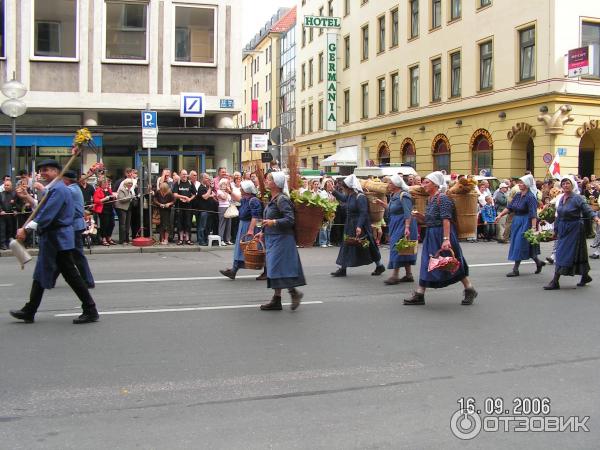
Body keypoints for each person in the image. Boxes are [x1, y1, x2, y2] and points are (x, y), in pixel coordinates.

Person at [9, 160, 99, 324]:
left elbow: (47, 214)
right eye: (41, 170)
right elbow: (41, 207)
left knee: (71, 275)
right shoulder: (54, 188)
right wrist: (27, 197)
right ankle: (30, 310)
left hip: (58, 239)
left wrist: (26, 229)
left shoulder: (59, 189)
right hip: (52, 238)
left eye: (47, 170)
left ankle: (90, 309)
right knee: (41, 273)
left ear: (57, 171)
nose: (43, 173)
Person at [404, 171, 477, 305]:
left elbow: (446, 219)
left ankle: (469, 288)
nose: (423, 185)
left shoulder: (442, 198)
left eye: (427, 182)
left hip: (442, 234)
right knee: (428, 263)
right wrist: (420, 216)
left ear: (436, 184)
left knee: (451, 263)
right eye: (424, 182)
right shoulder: (430, 199)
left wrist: (446, 239)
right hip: (432, 235)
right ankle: (420, 293)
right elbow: (430, 220)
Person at [258, 172, 305, 311]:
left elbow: (290, 220)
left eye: (269, 179)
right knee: (274, 269)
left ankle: (292, 293)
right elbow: (269, 220)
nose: (266, 181)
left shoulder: (282, 199)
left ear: (277, 184)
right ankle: (278, 299)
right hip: (272, 238)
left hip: (282, 239)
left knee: (278, 269)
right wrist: (262, 232)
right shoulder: (272, 198)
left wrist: (273, 222)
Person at [544, 176, 600, 290]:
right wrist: (556, 230)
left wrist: (596, 219)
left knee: (561, 253)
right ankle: (585, 276)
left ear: (572, 185)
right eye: (563, 184)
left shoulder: (577, 198)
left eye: (567, 183)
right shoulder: (561, 198)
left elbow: (587, 209)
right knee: (578, 253)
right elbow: (559, 215)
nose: (565, 185)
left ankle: (555, 281)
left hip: (574, 228)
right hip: (563, 228)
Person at [330, 174, 386, 277]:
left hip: (361, 225)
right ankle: (342, 268)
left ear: (349, 187)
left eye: (344, 187)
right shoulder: (350, 195)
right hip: (350, 223)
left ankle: (380, 265)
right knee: (346, 244)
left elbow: (363, 213)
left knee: (369, 246)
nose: (343, 189)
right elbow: (343, 198)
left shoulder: (360, 197)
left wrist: (359, 226)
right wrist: (333, 191)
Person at [495, 174, 545, 276]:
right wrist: (500, 215)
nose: (519, 184)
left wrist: (533, 228)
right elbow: (510, 207)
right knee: (524, 245)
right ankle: (538, 262)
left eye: (522, 183)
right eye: (519, 182)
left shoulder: (531, 197)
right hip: (517, 220)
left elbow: (533, 214)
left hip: (526, 221)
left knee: (519, 244)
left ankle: (515, 269)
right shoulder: (518, 195)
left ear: (527, 184)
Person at [375, 174, 418, 285]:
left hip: (403, 224)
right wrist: (382, 204)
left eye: (390, 183)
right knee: (403, 248)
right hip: (396, 223)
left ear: (396, 184)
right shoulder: (394, 195)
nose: (388, 185)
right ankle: (409, 275)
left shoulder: (404, 195)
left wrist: (407, 227)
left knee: (396, 248)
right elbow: (391, 209)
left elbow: (408, 212)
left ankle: (395, 275)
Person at [219, 180, 264, 279]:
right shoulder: (246, 198)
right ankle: (234, 270)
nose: (240, 189)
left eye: (242, 188)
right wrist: (230, 192)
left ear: (247, 190)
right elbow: (238, 198)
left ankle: (267, 271)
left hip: (249, 226)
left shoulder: (253, 200)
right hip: (243, 225)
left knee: (254, 249)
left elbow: (255, 216)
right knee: (241, 249)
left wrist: (251, 230)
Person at [61, 171, 95, 288]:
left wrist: (42, 188)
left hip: (74, 226)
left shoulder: (71, 190)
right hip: (73, 226)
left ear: (66, 180)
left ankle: (88, 280)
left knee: (77, 255)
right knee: (62, 255)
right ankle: (48, 278)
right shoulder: (74, 188)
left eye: (62, 179)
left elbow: (55, 193)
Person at [172, 169, 197, 245]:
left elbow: (194, 194)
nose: (184, 175)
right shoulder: (177, 183)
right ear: (180, 175)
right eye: (183, 174)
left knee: (188, 223)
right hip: (179, 206)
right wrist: (182, 197)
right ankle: (180, 239)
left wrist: (189, 199)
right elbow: (175, 194)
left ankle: (188, 239)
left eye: (186, 174)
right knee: (180, 223)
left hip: (188, 206)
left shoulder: (190, 183)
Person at [93, 179, 117, 246]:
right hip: (103, 210)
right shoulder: (98, 191)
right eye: (104, 183)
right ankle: (103, 238)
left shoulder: (109, 190)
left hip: (110, 209)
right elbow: (96, 201)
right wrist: (104, 199)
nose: (106, 184)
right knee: (104, 224)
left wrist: (113, 197)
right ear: (101, 184)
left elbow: (112, 197)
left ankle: (109, 237)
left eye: (106, 183)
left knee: (112, 224)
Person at [115, 178, 135, 244]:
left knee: (127, 224)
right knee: (122, 224)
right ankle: (122, 240)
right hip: (121, 208)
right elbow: (121, 199)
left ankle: (127, 239)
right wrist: (131, 197)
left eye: (131, 183)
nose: (130, 185)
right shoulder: (121, 189)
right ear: (125, 183)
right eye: (129, 183)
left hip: (128, 208)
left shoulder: (130, 190)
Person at [0, 179, 17, 250]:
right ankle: (2, 244)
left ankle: (9, 243)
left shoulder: (14, 194)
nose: (6, 186)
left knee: (11, 229)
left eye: (8, 185)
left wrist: (15, 210)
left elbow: (17, 204)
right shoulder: (1, 194)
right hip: (2, 215)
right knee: (2, 229)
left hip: (11, 215)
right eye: (5, 185)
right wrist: (0, 210)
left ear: (11, 186)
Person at [217, 178, 234, 245]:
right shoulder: (219, 191)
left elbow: (231, 199)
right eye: (224, 184)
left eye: (226, 184)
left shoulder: (228, 192)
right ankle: (221, 239)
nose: (225, 186)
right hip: (222, 208)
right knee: (222, 223)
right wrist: (227, 192)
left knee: (228, 224)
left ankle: (228, 239)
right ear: (220, 185)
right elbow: (223, 198)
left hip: (228, 208)